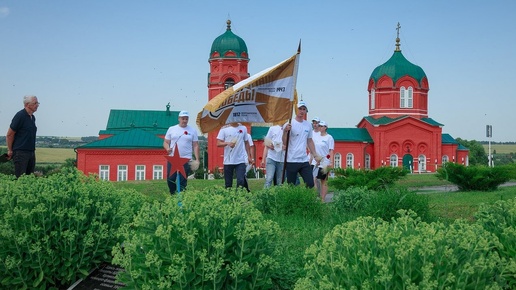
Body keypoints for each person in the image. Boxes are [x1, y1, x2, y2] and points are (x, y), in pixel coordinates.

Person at [282, 101, 320, 188]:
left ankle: (305, 199)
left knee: (310, 183)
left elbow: (309, 141)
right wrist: (285, 132)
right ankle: (293, 200)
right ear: (296, 109)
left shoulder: (308, 125)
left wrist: (315, 155)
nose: (302, 111)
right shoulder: (289, 124)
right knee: (291, 185)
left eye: (304, 109)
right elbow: (285, 142)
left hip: (303, 159)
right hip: (291, 160)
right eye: (300, 109)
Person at [163, 110, 200, 194]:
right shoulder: (172, 129)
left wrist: (197, 159)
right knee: (170, 178)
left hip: (186, 159)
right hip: (173, 158)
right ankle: (173, 193)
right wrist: (167, 148)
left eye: (186, 119)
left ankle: (181, 196)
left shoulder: (192, 130)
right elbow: (165, 142)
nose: (184, 121)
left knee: (183, 179)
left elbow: (195, 145)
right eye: (183, 119)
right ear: (179, 119)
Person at [6, 95, 39, 178]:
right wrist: (10, 150)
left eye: (37, 103)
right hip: (20, 152)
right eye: (35, 103)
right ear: (27, 105)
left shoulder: (32, 118)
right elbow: (10, 134)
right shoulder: (20, 116)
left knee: (29, 179)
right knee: (21, 179)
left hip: (31, 152)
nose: (37, 105)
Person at [217, 122, 253, 191]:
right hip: (228, 160)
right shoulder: (224, 129)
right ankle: (229, 197)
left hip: (240, 160)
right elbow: (218, 143)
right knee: (228, 184)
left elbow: (246, 142)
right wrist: (227, 143)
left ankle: (239, 197)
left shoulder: (243, 128)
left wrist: (249, 156)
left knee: (240, 181)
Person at [311, 120, 334, 202]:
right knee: (313, 179)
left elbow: (331, 151)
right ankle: (314, 197)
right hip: (316, 161)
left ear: (325, 127)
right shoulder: (316, 136)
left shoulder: (329, 138)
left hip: (324, 162)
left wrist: (330, 162)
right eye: (319, 126)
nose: (319, 127)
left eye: (321, 126)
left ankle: (322, 199)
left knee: (323, 180)